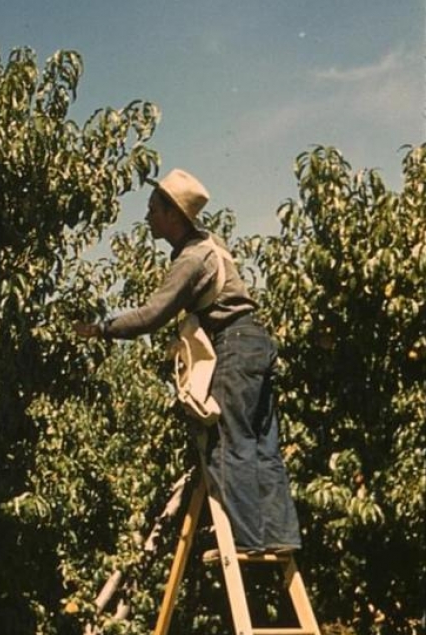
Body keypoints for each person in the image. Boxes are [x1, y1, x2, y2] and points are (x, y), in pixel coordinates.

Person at [74, 169, 301, 557]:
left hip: (233, 343)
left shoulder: (193, 259)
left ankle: (249, 541)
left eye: (153, 210)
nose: (147, 217)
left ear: (174, 216)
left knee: (227, 443)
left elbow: (152, 315)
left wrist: (100, 330)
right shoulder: (211, 245)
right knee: (262, 444)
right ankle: (281, 535)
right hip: (257, 342)